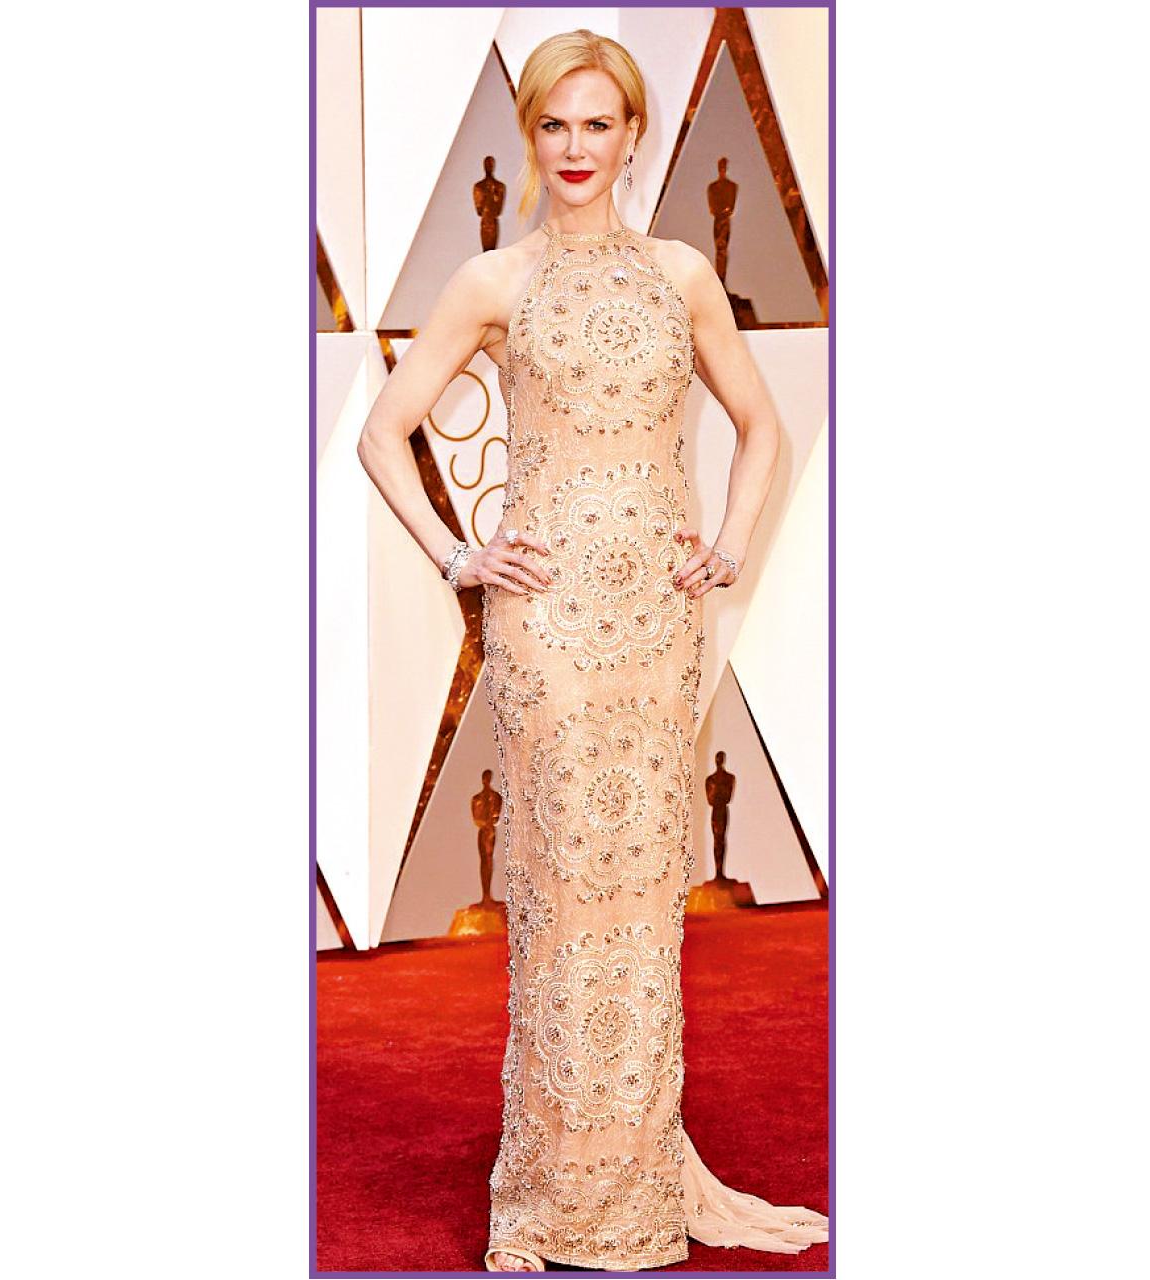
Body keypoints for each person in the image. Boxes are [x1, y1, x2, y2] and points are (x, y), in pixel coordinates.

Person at [357, 27, 828, 1273]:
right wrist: (459, 555)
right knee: (563, 892)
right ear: (531, 135)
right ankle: (555, 1187)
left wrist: (727, 544)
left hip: (654, 629)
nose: (575, 148)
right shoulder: (492, 281)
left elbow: (760, 425)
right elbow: (383, 429)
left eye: (597, 124)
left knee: (637, 898)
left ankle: (630, 1171)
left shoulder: (680, 273)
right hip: (549, 624)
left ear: (632, 135)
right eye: (554, 125)